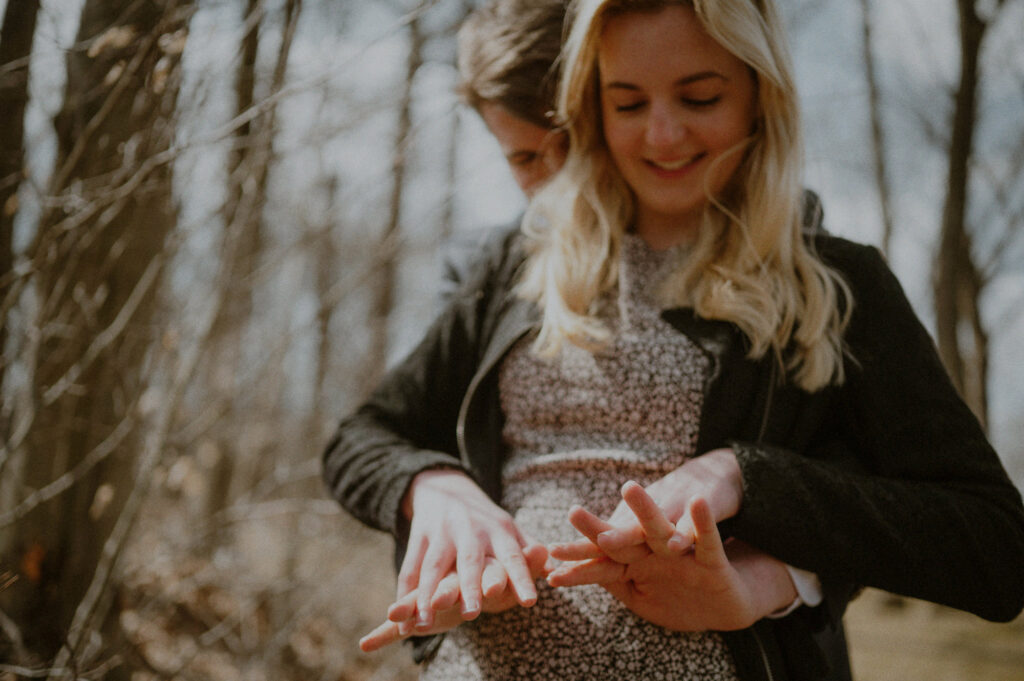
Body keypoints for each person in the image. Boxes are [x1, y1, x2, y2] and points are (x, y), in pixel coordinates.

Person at [322, 1, 1024, 680]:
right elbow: (363, 437)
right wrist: (435, 488)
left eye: (699, 98)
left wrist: (745, 478)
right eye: (628, 104)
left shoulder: (836, 283)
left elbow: (994, 546)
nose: (662, 135)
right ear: (592, 106)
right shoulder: (519, 264)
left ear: (761, 93)